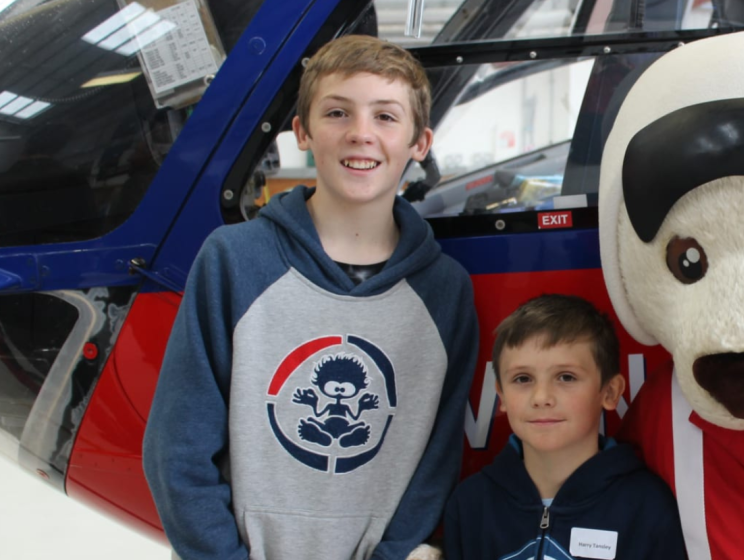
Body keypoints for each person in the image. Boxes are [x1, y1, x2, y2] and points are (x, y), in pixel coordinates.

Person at [142, 34, 478, 560]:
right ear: (301, 131)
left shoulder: (446, 289)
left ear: (420, 142)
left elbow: (437, 461)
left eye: (386, 117)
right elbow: (176, 451)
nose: (361, 135)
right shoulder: (232, 260)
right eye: (338, 113)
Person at [442, 294, 686, 560]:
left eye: (566, 377)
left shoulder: (647, 507)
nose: (541, 397)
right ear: (500, 395)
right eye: (523, 379)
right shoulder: (470, 505)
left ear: (610, 392)